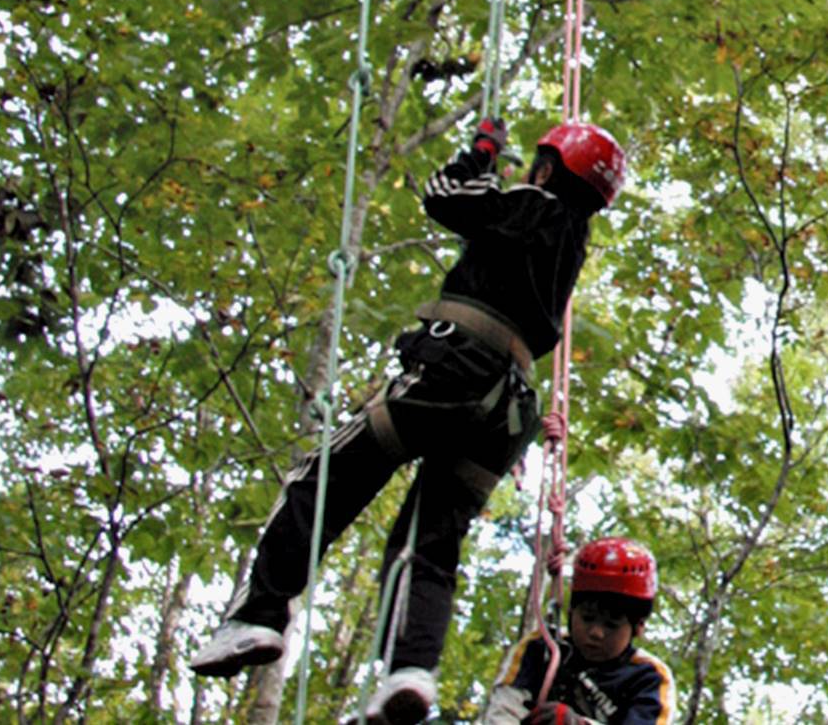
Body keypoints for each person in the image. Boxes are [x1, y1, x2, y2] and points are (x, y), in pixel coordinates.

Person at [188, 119, 626, 725]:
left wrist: (480, 153)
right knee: (429, 542)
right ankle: (410, 672)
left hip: (455, 373)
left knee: (323, 477)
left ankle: (258, 616)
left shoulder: (533, 204)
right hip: (503, 411)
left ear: (549, 171)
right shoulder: (569, 244)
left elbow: (444, 195)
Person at [481, 537, 675, 725]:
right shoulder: (541, 649)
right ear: (571, 613)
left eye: (611, 625)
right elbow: (503, 712)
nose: (596, 633)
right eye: (587, 618)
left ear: (637, 628)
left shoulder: (648, 678)